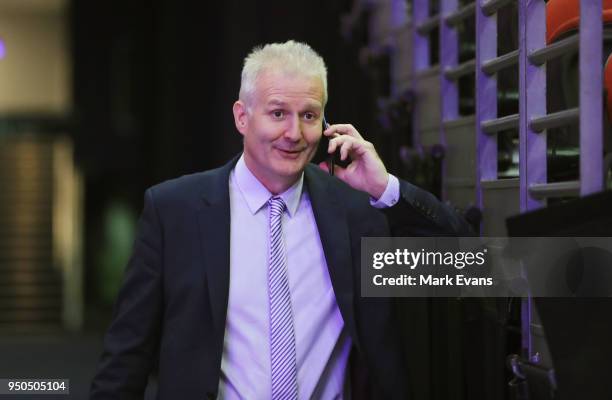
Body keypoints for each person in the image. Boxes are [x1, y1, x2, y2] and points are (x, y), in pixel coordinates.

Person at [90, 40, 470, 400]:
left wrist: (385, 187)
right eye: (277, 113)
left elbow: (474, 262)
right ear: (242, 116)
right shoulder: (175, 211)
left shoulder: (356, 214)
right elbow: (126, 359)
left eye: (309, 116)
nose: (294, 133)